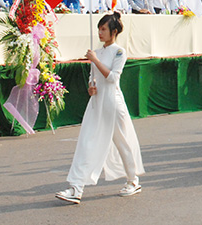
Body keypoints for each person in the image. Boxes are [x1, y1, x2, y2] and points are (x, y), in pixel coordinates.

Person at [55, 13, 144, 204]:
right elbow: (93, 78)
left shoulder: (119, 51)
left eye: (104, 29)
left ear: (114, 31)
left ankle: (133, 180)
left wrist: (95, 60)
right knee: (87, 142)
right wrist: (91, 87)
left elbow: (112, 78)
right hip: (97, 103)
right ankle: (76, 187)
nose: (100, 32)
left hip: (113, 103)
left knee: (123, 143)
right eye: (99, 29)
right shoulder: (96, 52)